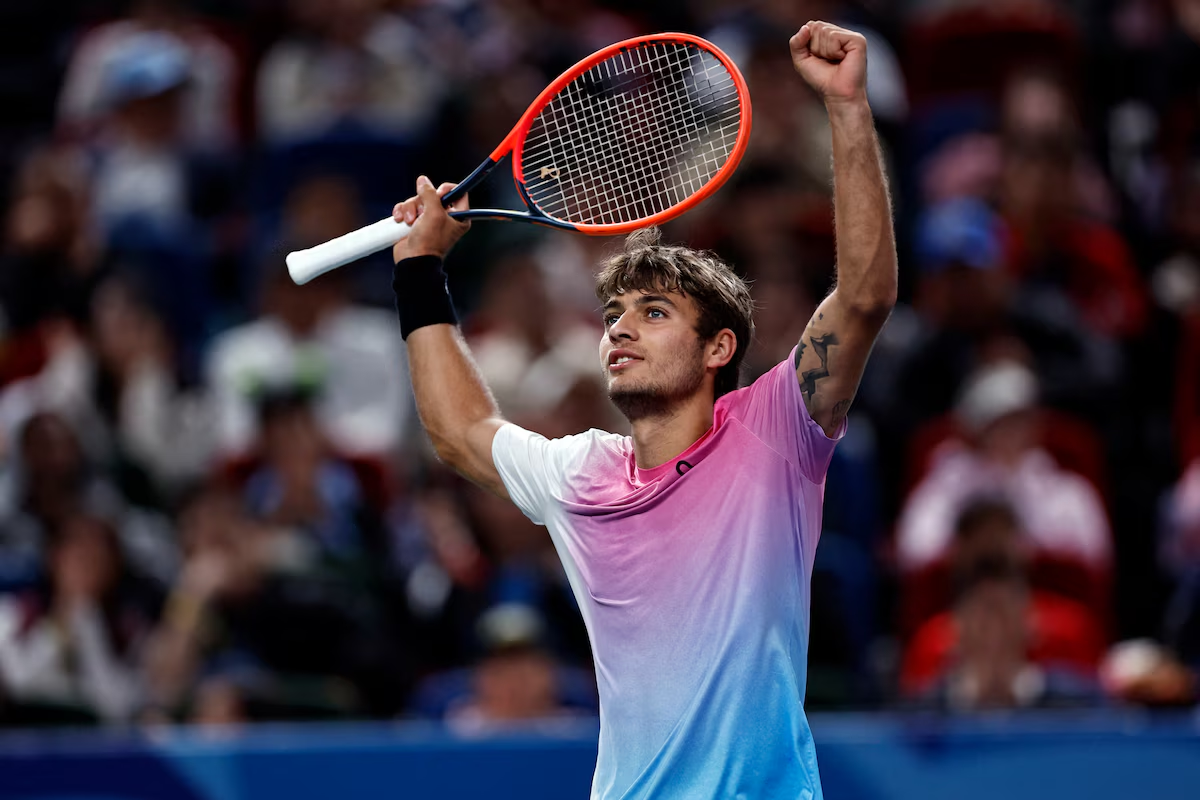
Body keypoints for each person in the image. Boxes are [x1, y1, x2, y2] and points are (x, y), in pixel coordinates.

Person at [384, 22, 895, 799]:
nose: (619, 327)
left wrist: (848, 108)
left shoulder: (774, 434)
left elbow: (862, 298)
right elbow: (460, 434)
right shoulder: (582, 474)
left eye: (653, 313)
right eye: (615, 312)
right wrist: (420, 273)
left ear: (719, 348)